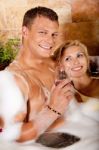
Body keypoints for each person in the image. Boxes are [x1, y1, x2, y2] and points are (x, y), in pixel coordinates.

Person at [0, 6, 74, 143]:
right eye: (43, 32)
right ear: (25, 32)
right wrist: (53, 110)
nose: (51, 41)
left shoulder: (56, 64)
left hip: (78, 137)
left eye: (54, 34)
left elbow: (76, 102)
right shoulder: (12, 79)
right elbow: (7, 137)